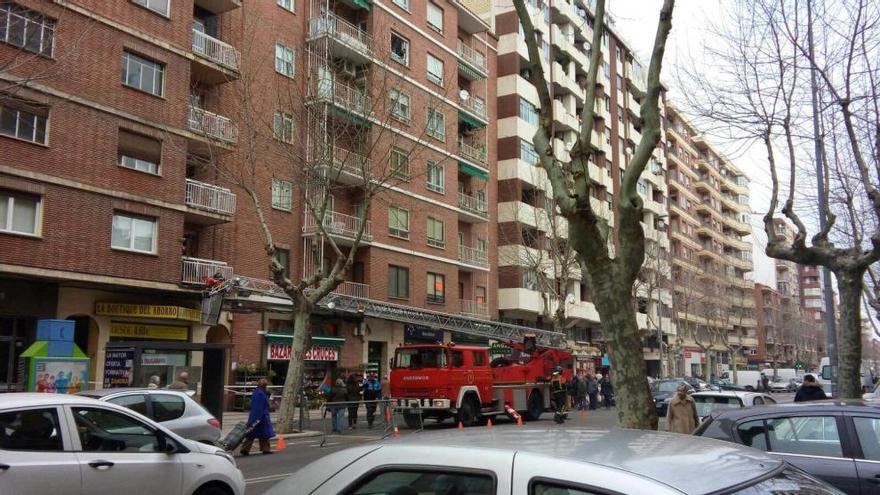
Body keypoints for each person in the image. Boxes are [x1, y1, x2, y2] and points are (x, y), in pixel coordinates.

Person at [241, 378, 275, 455]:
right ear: (264, 386)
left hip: (256, 416)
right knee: (264, 434)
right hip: (261, 416)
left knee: (251, 434)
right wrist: (258, 418)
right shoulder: (261, 394)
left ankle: (245, 449)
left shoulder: (257, 392)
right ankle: (265, 449)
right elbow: (260, 406)